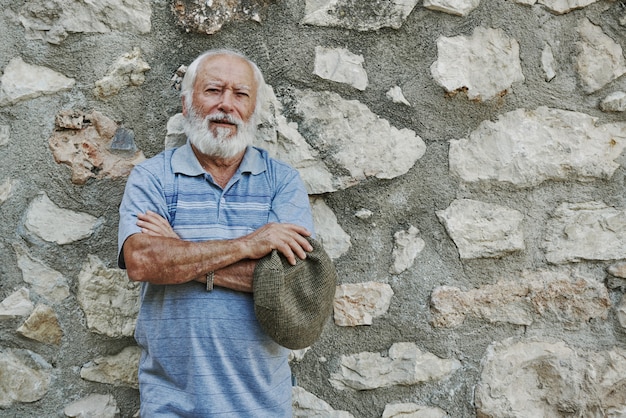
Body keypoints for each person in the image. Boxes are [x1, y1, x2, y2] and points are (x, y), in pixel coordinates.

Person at [117, 49, 315, 417]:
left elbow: (294, 284)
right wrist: (249, 244)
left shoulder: (281, 181)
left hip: (261, 406)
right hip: (171, 404)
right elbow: (143, 261)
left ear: (253, 109)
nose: (227, 105)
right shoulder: (152, 177)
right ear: (186, 102)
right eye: (213, 91)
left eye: (240, 94)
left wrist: (178, 252)